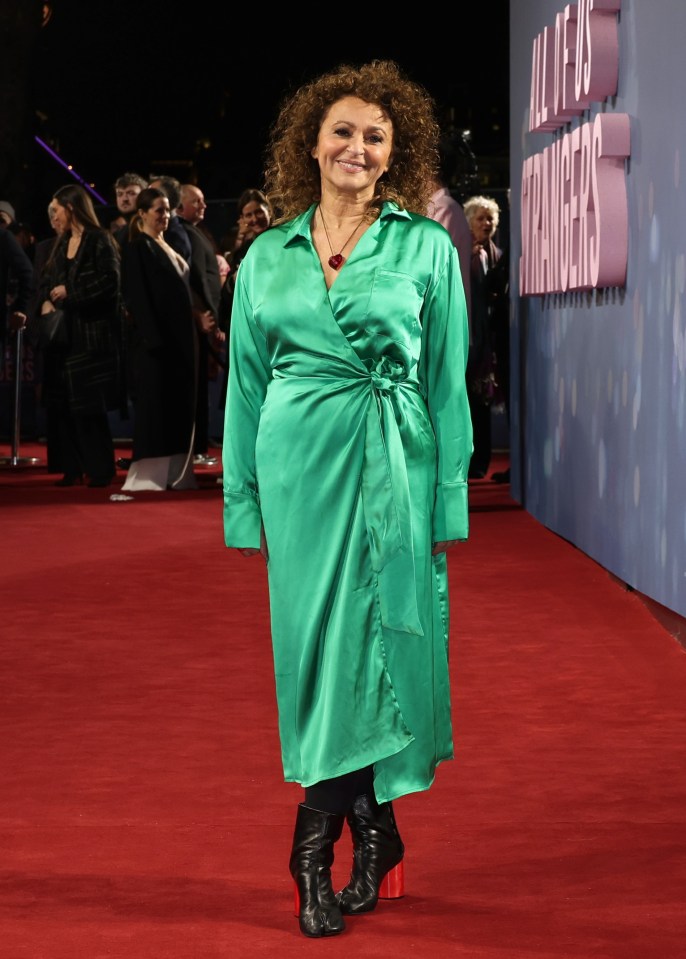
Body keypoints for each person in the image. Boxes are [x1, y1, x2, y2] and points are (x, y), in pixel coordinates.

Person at [222, 60, 473, 939]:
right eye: (343, 131)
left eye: (376, 135)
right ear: (311, 143)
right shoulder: (265, 252)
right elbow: (245, 387)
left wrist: (448, 495)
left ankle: (312, 845)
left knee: (380, 645)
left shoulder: (426, 248)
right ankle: (377, 826)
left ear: (395, 152)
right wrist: (243, 502)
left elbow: (448, 386)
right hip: (298, 474)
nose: (357, 147)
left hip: (394, 466)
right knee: (322, 650)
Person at [37, 184, 123, 487]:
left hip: (91, 338)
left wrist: (71, 293)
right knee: (64, 406)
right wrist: (46, 299)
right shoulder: (61, 244)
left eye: (56, 210)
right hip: (63, 339)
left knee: (90, 408)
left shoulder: (100, 239)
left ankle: (100, 470)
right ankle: (72, 468)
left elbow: (110, 283)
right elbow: (46, 281)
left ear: (71, 207)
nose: (53, 216)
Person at [119, 187, 197, 491]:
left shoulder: (167, 244)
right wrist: (154, 342)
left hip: (179, 343)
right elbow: (137, 297)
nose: (165, 216)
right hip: (156, 346)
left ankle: (175, 474)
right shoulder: (138, 247)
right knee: (156, 408)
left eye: (167, 210)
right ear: (142, 214)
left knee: (176, 407)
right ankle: (147, 478)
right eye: (158, 210)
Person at [178, 182, 223, 462]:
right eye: (197, 201)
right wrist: (199, 313)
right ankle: (193, 449)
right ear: (180, 205)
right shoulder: (182, 233)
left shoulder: (196, 232)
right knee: (193, 388)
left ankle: (198, 447)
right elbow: (192, 278)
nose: (203, 206)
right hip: (197, 321)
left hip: (206, 318)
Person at [463, 194, 503, 479]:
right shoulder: (465, 255)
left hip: (490, 341)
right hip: (469, 338)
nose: (486, 223)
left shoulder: (498, 255)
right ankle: (470, 459)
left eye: (490, 218)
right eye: (480, 218)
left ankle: (481, 462)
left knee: (483, 400)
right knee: (468, 401)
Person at [221, 187, 273, 284]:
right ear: (242, 218)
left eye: (259, 212)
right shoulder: (245, 247)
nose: (255, 219)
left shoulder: (282, 237)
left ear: (269, 211)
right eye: (249, 215)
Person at [111, 172, 148, 249]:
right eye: (120, 194)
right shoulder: (117, 227)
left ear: (144, 195)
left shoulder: (147, 226)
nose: (124, 199)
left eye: (131, 193)